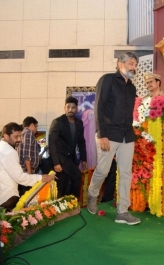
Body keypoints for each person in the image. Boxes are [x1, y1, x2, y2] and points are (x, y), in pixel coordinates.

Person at [87, 51, 140, 225]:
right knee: (103, 170)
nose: (134, 68)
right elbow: (99, 107)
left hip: (127, 135)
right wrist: (102, 134)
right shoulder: (107, 80)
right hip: (108, 135)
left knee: (126, 173)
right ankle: (92, 194)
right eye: (131, 63)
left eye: (135, 65)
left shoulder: (132, 88)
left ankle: (122, 211)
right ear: (120, 63)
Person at [0, 122, 55, 211]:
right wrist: (41, 178)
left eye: (20, 136)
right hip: (7, 197)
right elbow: (20, 177)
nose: (19, 139)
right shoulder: (8, 151)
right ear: (6, 136)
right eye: (16, 137)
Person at [49, 97, 87, 199]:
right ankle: (74, 201)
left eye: (73, 107)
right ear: (64, 108)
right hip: (61, 157)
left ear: (76, 109)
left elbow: (81, 141)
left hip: (72, 158)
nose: (70, 109)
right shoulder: (57, 122)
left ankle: (67, 206)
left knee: (65, 182)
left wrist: (84, 159)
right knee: (76, 176)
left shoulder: (79, 123)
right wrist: (56, 162)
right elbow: (52, 143)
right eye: (68, 107)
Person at [18, 116, 41, 195]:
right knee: (28, 196)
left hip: (25, 170)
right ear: (31, 125)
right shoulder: (28, 133)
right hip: (27, 170)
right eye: (36, 126)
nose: (36, 129)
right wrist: (29, 172)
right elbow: (26, 154)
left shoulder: (22, 134)